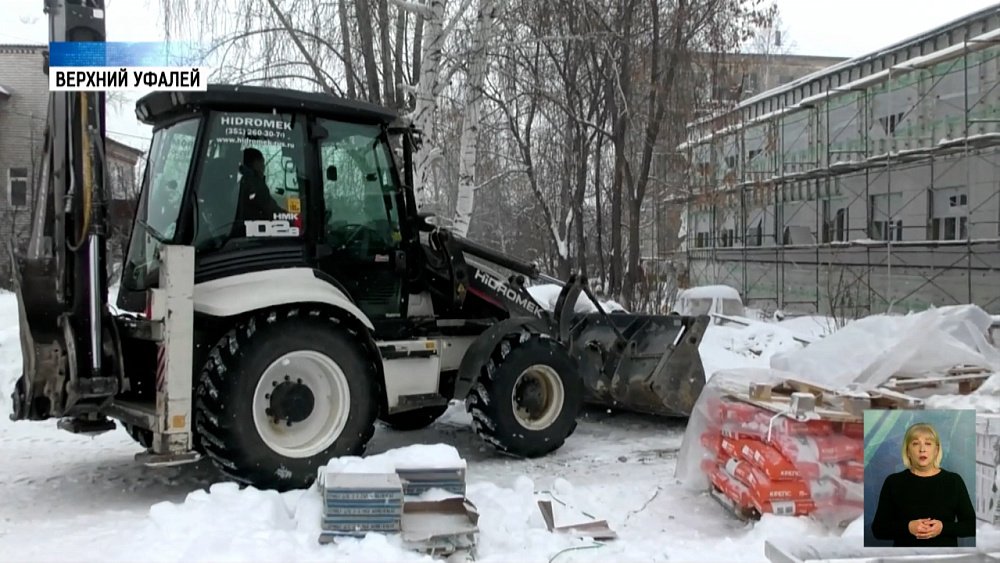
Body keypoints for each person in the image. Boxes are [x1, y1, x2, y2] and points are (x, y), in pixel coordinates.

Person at [870, 422, 976, 547]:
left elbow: (971, 526)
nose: (922, 449)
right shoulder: (893, 482)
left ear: (936, 450)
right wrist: (908, 527)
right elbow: (878, 529)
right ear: (908, 451)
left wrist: (943, 528)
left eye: (928, 443)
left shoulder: (954, 481)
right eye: (915, 444)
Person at [237, 148, 284, 223]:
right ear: (256, 163)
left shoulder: (240, 181)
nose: (264, 167)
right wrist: (291, 218)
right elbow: (271, 210)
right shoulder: (255, 184)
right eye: (262, 163)